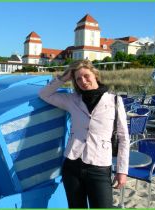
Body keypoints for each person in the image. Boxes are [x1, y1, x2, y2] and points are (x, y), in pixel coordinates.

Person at [39, 60, 130, 208]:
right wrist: (63, 78)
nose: (83, 81)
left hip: (99, 167)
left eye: (86, 76)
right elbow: (44, 94)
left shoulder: (115, 100)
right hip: (72, 164)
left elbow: (123, 138)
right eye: (78, 79)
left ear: (95, 75)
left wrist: (122, 171)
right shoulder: (72, 100)